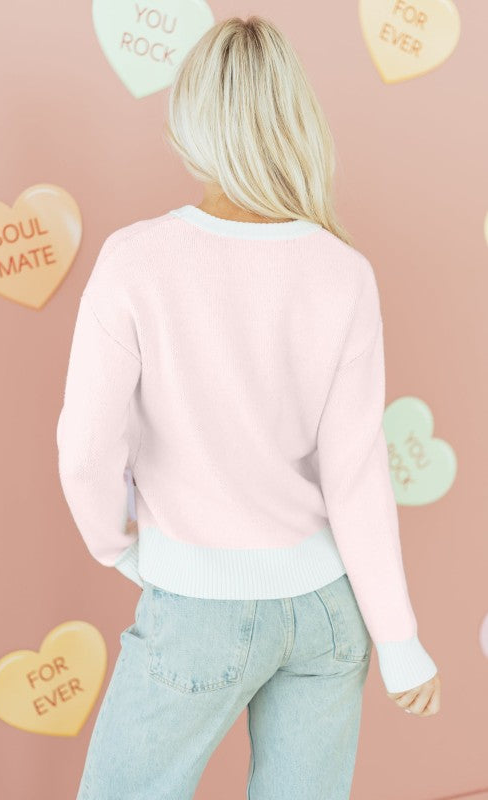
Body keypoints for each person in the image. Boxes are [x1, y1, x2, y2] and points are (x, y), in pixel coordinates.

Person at [56, 14, 441, 800]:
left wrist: (115, 549)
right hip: (326, 611)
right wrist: (400, 644)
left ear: (189, 120)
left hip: (195, 609)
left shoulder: (135, 260)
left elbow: (88, 445)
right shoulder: (342, 270)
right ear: (294, 116)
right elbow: (357, 475)